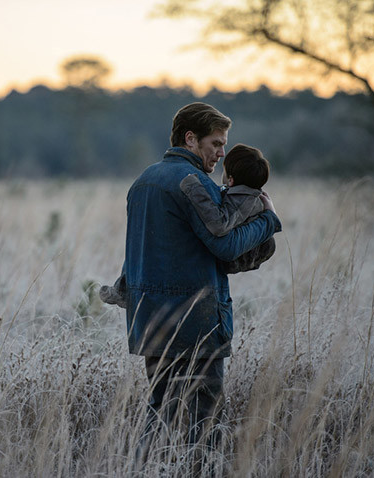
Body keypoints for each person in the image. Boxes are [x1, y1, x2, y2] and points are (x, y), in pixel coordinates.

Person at [118, 102, 282, 471]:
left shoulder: (142, 181)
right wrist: (268, 221)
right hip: (196, 322)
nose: (222, 154)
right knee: (202, 422)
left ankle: (141, 470)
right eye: (215, 144)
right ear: (190, 139)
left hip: (149, 321)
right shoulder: (195, 184)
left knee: (161, 411)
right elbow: (224, 245)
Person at [100, 142, 277, 307]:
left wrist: (194, 188)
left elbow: (220, 225)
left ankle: (123, 287)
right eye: (216, 143)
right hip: (233, 255)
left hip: (238, 255)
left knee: (153, 244)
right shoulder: (241, 194)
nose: (220, 153)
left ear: (230, 179)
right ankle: (123, 286)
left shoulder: (244, 199)